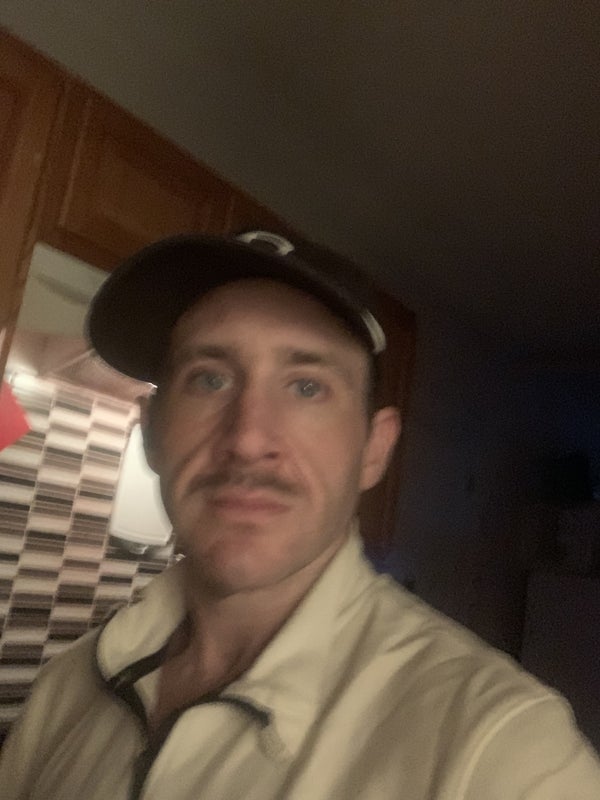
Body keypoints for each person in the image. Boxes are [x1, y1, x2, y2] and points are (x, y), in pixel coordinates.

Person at [1, 230, 599, 800]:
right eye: (208, 379)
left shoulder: (499, 750)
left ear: (374, 450)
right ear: (152, 433)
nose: (247, 438)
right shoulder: (67, 689)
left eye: (307, 386)